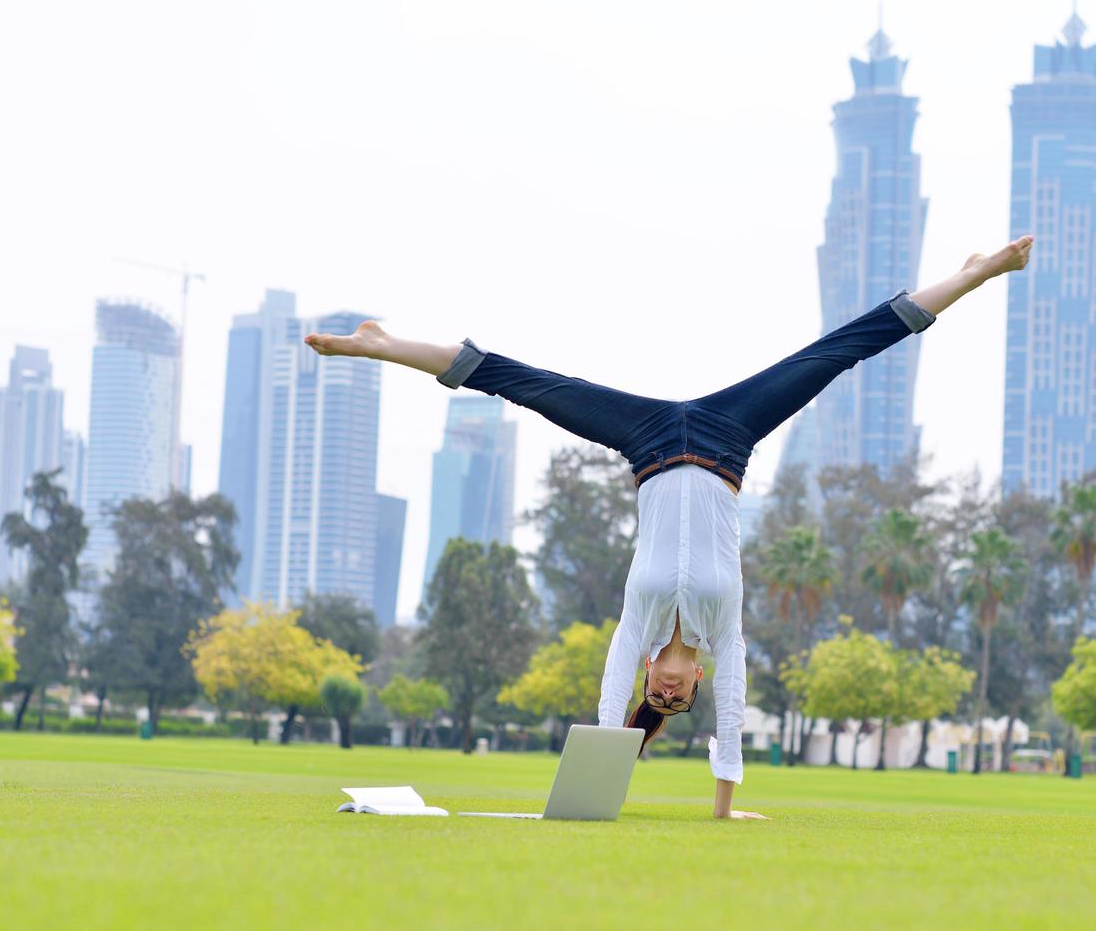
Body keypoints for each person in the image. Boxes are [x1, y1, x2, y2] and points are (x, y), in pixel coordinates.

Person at [306, 235, 1033, 820]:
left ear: (650, 675)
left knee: (518, 381)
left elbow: (604, 710)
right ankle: (974, 274)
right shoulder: (725, 632)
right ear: (691, 683)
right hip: (724, 438)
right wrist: (723, 813)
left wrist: (595, 787)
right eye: (677, 698)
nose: (669, 691)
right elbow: (734, 720)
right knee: (840, 350)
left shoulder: (637, 626)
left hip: (650, 442)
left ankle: (380, 345)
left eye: (659, 694)